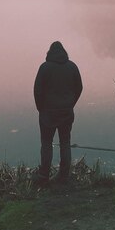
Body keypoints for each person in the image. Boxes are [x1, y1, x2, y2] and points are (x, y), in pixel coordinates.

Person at [33, 41, 83, 184]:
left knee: (46, 143)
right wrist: (70, 103)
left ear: (49, 53)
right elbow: (79, 88)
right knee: (65, 142)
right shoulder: (72, 67)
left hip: (47, 113)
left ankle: (43, 175)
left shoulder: (45, 68)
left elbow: (37, 91)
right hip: (66, 112)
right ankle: (64, 175)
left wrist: (41, 108)